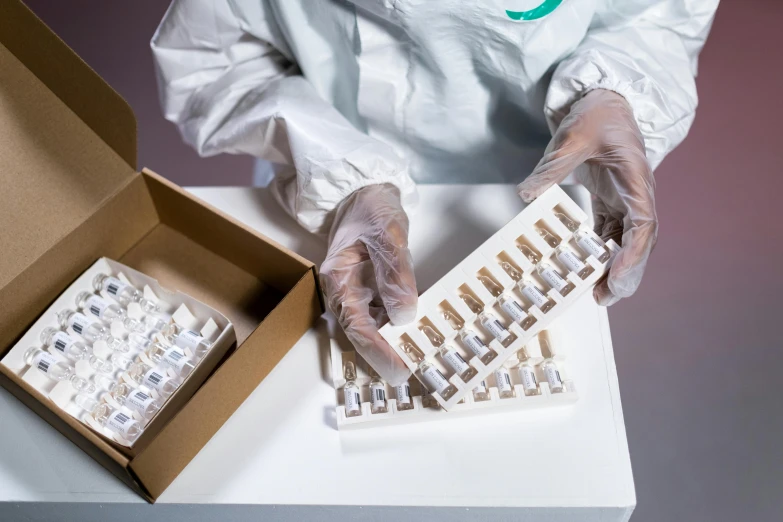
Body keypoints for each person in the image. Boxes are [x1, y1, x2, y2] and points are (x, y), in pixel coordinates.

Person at [152, 0, 719, 385]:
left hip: (533, 180)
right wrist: (338, 171)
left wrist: (616, 91)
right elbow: (211, 62)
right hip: (319, 165)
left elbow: (658, 13)